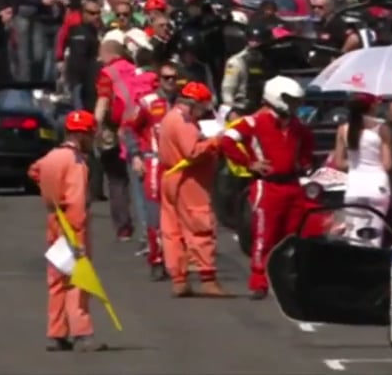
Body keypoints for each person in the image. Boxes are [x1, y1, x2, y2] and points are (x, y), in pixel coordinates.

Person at [220, 76, 312, 299]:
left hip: (293, 185)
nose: (294, 105)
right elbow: (228, 140)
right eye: (290, 100)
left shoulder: (297, 126)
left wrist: (305, 164)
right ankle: (258, 282)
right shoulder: (253, 122)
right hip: (268, 187)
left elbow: (307, 143)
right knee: (264, 236)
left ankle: (286, 279)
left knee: (292, 236)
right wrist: (250, 163)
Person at [27, 110, 107, 353]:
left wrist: (50, 191)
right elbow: (76, 201)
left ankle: (57, 332)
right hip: (71, 226)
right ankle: (82, 334)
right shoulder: (76, 163)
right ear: (84, 135)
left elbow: (34, 171)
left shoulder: (52, 156)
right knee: (78, 282)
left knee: (57, 281)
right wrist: (78, 236)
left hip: (53, 221)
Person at [158, 82, 228, 298]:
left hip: (170, 177)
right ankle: (207, 278)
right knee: (200, 225)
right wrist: (215, 142)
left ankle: (179, 279)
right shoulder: (184, 122)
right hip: (188, 180)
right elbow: (192, 152)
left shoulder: (170, 117)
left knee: (172, 230)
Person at [124, 61, 178, 280]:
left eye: (175, 78)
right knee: (154, 216)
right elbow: (129, 128)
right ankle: (156, 260)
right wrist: (136, 155)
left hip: (179, 165)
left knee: (179, 216)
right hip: (154, 163)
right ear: (159, 79)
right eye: (167, 78)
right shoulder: (148, 102)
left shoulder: (186, 103)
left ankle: (177, 261)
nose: (171, 82)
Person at [331, 94, 392, 247]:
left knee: (353, 236)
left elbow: (339, 162)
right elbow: (388, 164)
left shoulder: (343, 129)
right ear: (372, 107)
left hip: (354, 187)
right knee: (374, 236)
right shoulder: (382, 128)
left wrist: (354, 164)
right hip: (377, 186)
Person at [93, 38, 138, 241]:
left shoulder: (107, 73)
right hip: (138, 125)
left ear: (108, 54)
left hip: (115, 127)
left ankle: (123, 226)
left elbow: (103, 102)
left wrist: (94, 127)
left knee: (116, 177)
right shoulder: (134, 69)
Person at [221, 26, 271, 120]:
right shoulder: (236, 61)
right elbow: (227, 89)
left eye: (259, 41)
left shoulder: (268, 60)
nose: (255, 43)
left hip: (262, 108)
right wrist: (231, 110)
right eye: (252, 40)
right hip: (242, 108)